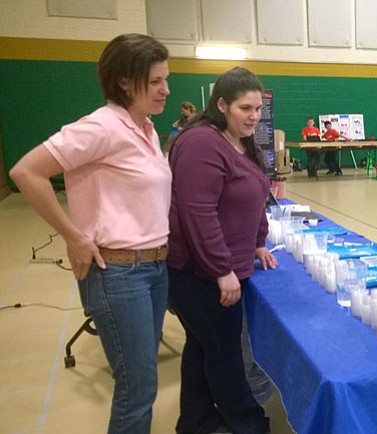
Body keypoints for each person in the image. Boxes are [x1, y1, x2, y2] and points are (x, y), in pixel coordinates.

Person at [10, 34, 171, 433]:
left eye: (166, 79)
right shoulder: (101, 128)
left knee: (142, 381)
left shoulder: (146, 130)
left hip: (154, 270)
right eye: (154, 82)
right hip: (119, 275)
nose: (166, 89)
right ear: (124, 81)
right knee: (138, 389)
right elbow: (26, 172)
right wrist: (73, 235)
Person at [166, 66, 276, 434]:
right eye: (246, 108)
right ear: (222, 105)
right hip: (199, 274)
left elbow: (256, 194)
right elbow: (199, 212)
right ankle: (248, 422)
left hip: (227, 266)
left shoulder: (239, 142)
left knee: (202, 344)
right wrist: (221, 270)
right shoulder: (202, 143)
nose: (255, 116)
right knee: (224, 351)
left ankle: (195, 420)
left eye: (258, 109)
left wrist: (258, 241)